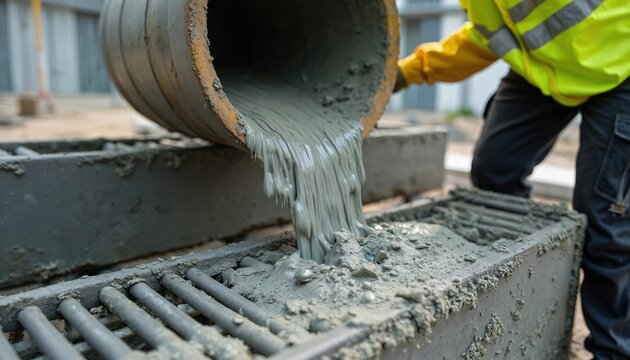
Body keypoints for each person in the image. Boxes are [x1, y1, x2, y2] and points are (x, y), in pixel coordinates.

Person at [394, 1, 630, 358]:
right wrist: (406, 73)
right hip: (543, 68)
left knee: (605, 219)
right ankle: (524, 281)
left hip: (621, 66)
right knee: (495, 169)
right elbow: (485, 35)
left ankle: (613, 351)